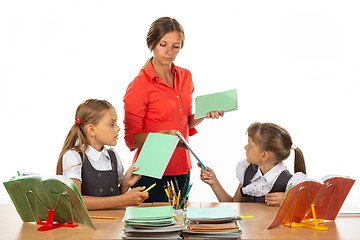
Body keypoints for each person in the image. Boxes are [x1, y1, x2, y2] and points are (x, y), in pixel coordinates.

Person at [123, 17, 224, 202]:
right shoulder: (139, 85)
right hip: (150, 171)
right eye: (163, 44)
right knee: (152, 228)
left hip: (182, 167)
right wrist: (163, 136)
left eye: (176, 46)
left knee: (179, 225)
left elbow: (185, 121)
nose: (169, 51)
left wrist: (206, 113)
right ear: (152, 43)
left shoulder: (186, 76)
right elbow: (131, 139)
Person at [56, 99, 148, 210]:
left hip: (113, 223)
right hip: (91, 225)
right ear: (91, 130)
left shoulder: (113, 156)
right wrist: (123, 199)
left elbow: (114, 195)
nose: (118, 128)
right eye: (111, 124)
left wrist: (125, 184)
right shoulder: (73, 156)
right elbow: (75, 200)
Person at [200, 122, 307, 206]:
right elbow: (234, 205)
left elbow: (309, 210)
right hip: (247, 233)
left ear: (264, 156)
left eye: (250, 146)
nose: (245, 148)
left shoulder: (290, 183)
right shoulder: (248, 172)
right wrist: (214, 182)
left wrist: (288, 201)